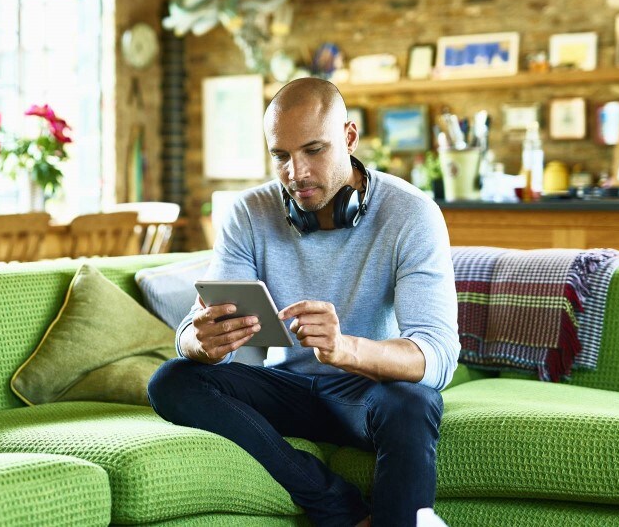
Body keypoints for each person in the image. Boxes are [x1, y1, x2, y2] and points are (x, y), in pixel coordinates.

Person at [148, 77, 460, 527]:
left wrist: (345, 348)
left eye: (314, 150)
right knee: (173, 380)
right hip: (286, 389)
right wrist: (201, 342)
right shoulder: (249, 212)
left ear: (349, 138)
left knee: (413, 403)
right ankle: (337, 505)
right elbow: (197, 330)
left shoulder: (411, 214)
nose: (296, 173)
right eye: (281, 156)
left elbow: (438, 356)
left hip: (365, 392)